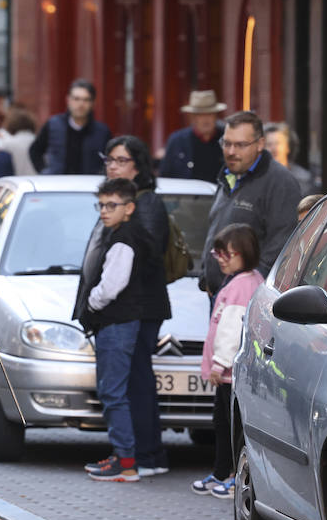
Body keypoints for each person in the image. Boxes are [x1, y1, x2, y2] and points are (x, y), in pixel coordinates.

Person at [98, 135, 173, 477]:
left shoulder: (147, 204)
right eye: (110, 159)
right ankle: (144, 453)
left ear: (138, 166)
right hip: (131, 306)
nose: (113, 165)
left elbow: (146, 253)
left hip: (141, 306)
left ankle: (146, 455)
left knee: (136, 381)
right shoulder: (116, 202)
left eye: (121, 160)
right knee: (131, 381)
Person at [73, 177, 149, 482]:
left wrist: (91, 302)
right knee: (113, 391)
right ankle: (122, 456)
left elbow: (111, 286)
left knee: (112, 392)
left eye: (111, 205)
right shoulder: (119, 234)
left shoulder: (122, 240)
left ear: (129, 208)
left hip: (116, 324)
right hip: (117, 324)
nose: (104, 211)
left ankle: (126, 462)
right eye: (101, 205)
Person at [192, 223, 262, 499]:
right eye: (218, 254)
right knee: (221, 423)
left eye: (227, 255)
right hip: (227, 372)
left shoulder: (243, 286)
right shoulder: (241, 281)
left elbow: (233, 330)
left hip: (230, 373)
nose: (221, 260)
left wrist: (220, 364)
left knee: (231, 426)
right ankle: (222, 472)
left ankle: (235, 476)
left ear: (245, 253)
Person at [199, 110, 301, 297]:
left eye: (240, 145)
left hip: (249, 301)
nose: (231, 151)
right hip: (220, 295)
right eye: (227, 143)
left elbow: (282, 246)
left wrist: (250, 290)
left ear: (260, 144)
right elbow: (215, 229)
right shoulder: (228, 176)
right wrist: (206, 276)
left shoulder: (280, 183)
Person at [29, 79, 110, 175]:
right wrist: (44, 172)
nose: (81, 104)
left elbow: (109, 159)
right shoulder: (54, 124)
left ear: (92, 103)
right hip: (57, 185)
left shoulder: (102, 131)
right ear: (68, 100)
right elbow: (35, 150)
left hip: (90, 186)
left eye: (86, 100)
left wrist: (101, 175)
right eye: (76, 99)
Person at [159, 90, 225, 181]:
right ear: (193, 117)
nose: (205, 119)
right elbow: (165, 176)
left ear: (216, 116)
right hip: (185, 193)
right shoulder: (177, 140)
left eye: (210, 114)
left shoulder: (226, 139)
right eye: (200, 115)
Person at [263, 122, 317, 198]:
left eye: (277, 143)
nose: (273, 148)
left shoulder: (303, 179)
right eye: (269, 144)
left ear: (288, 147)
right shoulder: (256, 178)